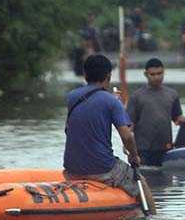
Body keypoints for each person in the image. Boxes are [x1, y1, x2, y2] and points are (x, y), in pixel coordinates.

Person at [63, 54, 148, 201]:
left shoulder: (72, 97)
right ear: (108, 76)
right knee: (143, 184)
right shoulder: (112, 102)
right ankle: (152, 218)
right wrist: (134, 156)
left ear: (85, 75)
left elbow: (68, 129)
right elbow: (127, 136)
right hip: (102, 168)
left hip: (72, 168)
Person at [127, 58, 185, 167]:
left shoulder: (172, 94)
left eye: (159, 73)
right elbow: (129, 126)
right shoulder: (136, 97)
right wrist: (129, 149)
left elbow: (178, 119)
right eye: (153, 74)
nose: (157, 77)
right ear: (146, 74)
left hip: (166, 149)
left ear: (164, 72)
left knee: (166, 183)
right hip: (143, 150)